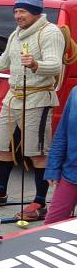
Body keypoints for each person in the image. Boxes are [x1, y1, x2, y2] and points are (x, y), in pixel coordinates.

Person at [0, 0, 65, 221]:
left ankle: (40, 203)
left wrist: (36, 64)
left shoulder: (49, 32)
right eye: (16, 11)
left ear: (36, 12)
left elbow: (56, 65)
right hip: (13, 98)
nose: (18, 15)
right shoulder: (15, 33)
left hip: (38, 98)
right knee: (2, 146)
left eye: (23, 12)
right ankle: (0, 193)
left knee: (36, 152)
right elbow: (2, 62)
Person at [44, 87, 77, 224]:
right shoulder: (75, 92)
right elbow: (62, 132)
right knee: (51, 226)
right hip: (71, 173)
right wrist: (53, 168)